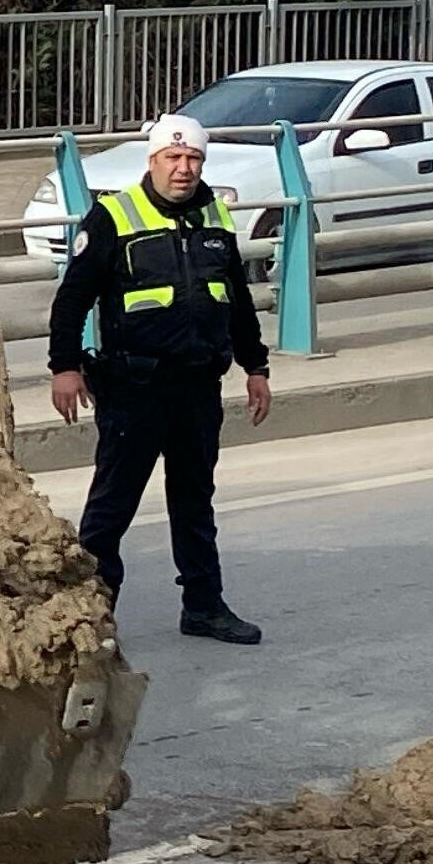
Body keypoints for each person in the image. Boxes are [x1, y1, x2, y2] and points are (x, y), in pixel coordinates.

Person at [47, 112, 274, 644]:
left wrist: (256, 366)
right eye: (173, 158)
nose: (184, 168)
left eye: (193, 158)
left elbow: (236, 299)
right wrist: (65, 367)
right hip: (133, 388)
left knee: (194, 501)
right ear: (152, 161)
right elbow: (72, 298)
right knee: (111, 508)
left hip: (197, 386)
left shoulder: (214, 214)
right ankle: (91, 621)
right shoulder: (113, 215)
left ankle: (204, 606)